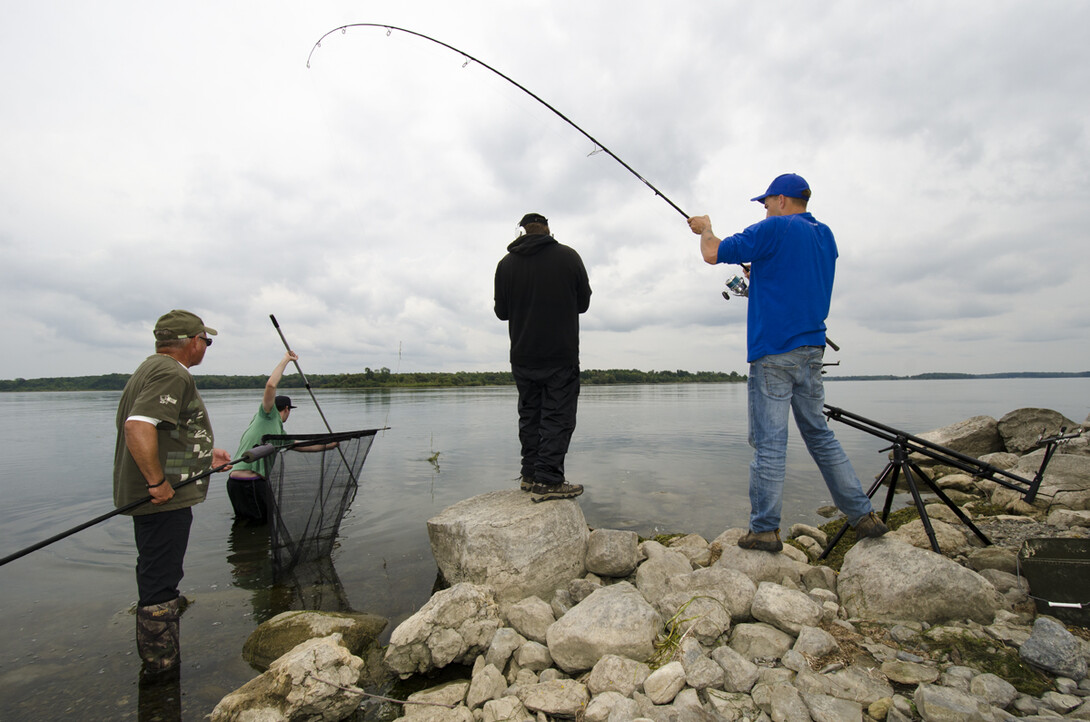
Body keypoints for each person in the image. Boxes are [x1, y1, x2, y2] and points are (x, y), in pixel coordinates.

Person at [688, 174, 888, 552]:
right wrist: (760, 273)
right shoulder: (825, 235)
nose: (764, 211)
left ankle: (764, 529)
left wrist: (705, 228)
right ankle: (863, 515)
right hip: (812, 350)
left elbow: (712, 252)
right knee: (820, 435)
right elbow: (795, 277)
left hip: (774, 353)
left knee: (769, 444)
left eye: (765, 204)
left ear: (781, 200)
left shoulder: (774, 228)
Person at [113, 309, 232, 680]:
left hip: (159, 494)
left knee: (155, 571)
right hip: (161, 500)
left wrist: (203, 455)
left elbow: (164, 433)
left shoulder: (149, 368)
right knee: (161, 582)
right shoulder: (171, 372)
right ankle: (162, 668)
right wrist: (155, 483)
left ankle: (159, 681)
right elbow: (138, 427)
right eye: (206, 341)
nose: (206, 347)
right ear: (193, 342)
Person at [494, 212, 592, 502]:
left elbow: (502, 313)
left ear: (521, 232)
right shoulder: (569, 256)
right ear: (548, 229)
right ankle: (548, 480)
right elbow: (583, 304)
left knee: (530, 415)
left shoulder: (505, 264)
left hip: (523, 354)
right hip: (559, 353)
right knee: (557, 417)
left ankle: (529, 475)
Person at [226, 351, 299, 525]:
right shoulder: (268, 415)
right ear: (287, 409)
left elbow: (300, 445)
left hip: (237, 482)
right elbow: (271, 385)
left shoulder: (279, 434)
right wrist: (286, 360)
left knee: (246, 526)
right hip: (249, 482)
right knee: (262, 525)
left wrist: (331, 444)